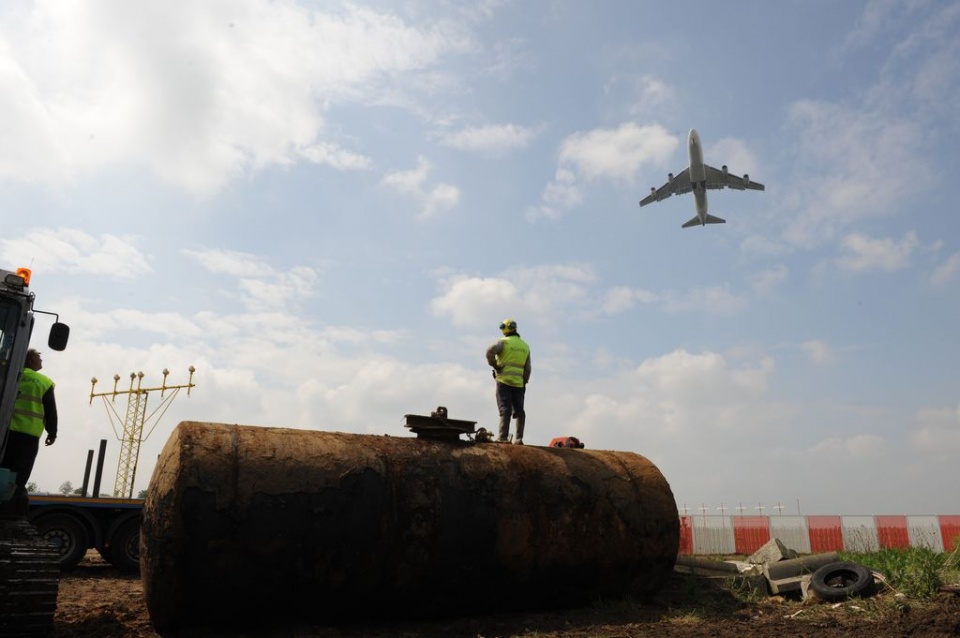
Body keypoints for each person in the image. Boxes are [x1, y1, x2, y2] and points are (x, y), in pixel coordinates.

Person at [0, 349, 57, 515]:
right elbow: (50, 411)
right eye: (39, 358)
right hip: (28, 435)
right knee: (19, 475)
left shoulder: (11, 373)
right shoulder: (44, 382)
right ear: (31, 361)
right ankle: (8, 510)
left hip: (6, 432)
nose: (41, 361)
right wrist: (52, 433)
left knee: (4, 467)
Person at [486, 318, 531, 444]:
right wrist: (524, 381)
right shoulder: (525, 346)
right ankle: (519, 439)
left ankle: (503, 438)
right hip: (519, 383)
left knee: (505, 409)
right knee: (520, 410)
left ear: (505, 329)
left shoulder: (503, 342)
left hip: (504, 381)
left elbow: (489, 352)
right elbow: (528, 368)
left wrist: (495, 366)